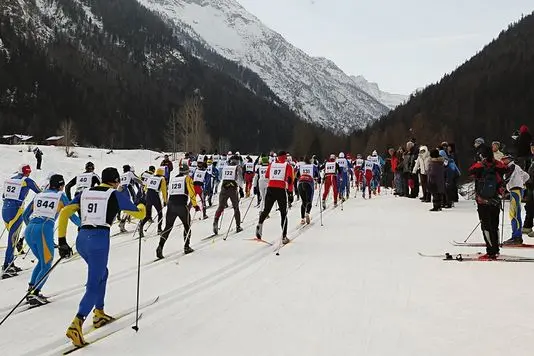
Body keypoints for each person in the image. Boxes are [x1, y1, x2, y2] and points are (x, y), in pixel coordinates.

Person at [58, 167, 146, 347]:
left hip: (82, 239)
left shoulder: (85, 193)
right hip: (99, 241)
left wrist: (62, 241)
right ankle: (77, 323)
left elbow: (65, 212)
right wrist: (143, 205)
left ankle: (99, 313)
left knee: (102, 274)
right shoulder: (114, 194)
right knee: (94, 283)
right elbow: (139, 214)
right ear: (115, 181)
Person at [21, 175, 81, 305]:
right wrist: (83, 225)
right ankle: (35, 293)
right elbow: (71, 215)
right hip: (44, 228)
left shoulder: (39, 195)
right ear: (61, 185)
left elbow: (25, 215)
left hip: (30, 228)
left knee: (42, 261)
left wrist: (32, 227)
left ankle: (32, 287)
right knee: (47, 264)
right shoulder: (60, 195)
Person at [468, 146, 508, 260]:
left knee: (486, 226)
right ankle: (496, 249)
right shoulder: (498, 165)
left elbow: (470, 171)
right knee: (495, 225)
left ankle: (490, 251)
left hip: (483, 201)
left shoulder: (480, 166)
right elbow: (506, 169)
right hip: (495, 200)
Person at [2, 164, 41, 279]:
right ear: (28, 172)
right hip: (16, 210)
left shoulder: (11, 179)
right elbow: (39, 191)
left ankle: (10, 263)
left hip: (5, 209)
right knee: (13, 239)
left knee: (11, 238)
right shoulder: (26, 180)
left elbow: (4, 195)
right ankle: (7, 267)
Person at [157, 164, 200, 258]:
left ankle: (160, 246)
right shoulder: (187, 178)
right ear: (187, 171)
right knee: (187, 226)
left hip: (171, 204)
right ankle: (186, 246)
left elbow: (169, 191)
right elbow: (192, 192)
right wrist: (195, 205)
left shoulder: (173, 179)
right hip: (181, 205)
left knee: (168, 227)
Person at [256, 151, 294, 244]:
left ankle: (260, 223)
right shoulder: (287, 165)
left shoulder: (272, 164)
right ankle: (284, 237)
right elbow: (290, 180)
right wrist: (290, 193)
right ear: (285, 157)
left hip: (270, 188)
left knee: (266, 209)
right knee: (283, 213)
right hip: (280, 190)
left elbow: (267, 175)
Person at [501, 155, 530, 245]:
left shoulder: (511, 166)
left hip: (515, 190)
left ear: (509, 159)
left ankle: (517, 237)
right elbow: (526, 176)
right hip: (516, 190)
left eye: (504, 159)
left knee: (515, 214)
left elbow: (508, 178)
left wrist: (502, 185)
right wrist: (522, 183)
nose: (502, 160)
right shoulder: (517, 167)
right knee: (513, 213)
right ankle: (516, 236)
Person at [213, 155, 244, 234]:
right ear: (237, 161)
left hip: (224, 188)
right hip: (232, 189)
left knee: (221, 206)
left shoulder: (226, 166)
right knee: (236, 207)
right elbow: (240, 179)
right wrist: (241, 189)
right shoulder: (238, 167)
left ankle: (216, 221)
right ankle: (238, 226)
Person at [139, 168, 167, 237]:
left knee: (148, 215)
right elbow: (164, 190)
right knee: (160, 213)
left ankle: (141, 226)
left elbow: (145, 187)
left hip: (148, 195)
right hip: (155, 195)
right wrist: (165, 200)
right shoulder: (162, 179)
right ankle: (159, 229)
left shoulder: (151, 177)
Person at [297, 156, 320, 224]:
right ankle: (307, 213)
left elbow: (297, 176)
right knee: (309, 200)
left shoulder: (301, 166)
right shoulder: (313, 166)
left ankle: (302, 218)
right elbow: (318, 175)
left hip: (301, 184)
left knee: (303, 202)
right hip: (309, 184)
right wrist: (318, 180)